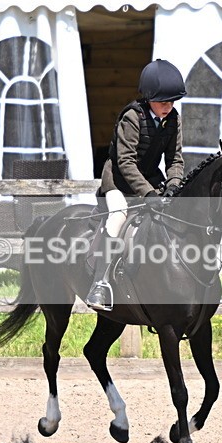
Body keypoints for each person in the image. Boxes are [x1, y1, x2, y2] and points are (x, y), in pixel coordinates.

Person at [85, 59, 187, 311]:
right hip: (118, 183)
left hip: (151, 181)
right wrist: (149, 194)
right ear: (149, 97)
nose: (168, 106)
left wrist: (173, 185)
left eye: (172, 101)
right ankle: (100, 283)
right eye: (164, 101)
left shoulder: (173, 118)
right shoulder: (132, 117)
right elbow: (125, 162)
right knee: (117, 218)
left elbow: (175, 159)